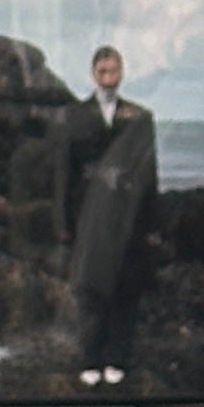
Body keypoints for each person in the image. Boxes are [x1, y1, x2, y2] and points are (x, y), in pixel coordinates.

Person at [53, 43, 159, 386]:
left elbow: (148, 175)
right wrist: (63, 222)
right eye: (103, 72)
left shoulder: (138, 117)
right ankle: (90, 359)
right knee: (89, 288)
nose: (109, 78)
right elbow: (64, 173)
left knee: (125, 287)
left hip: (127, 213)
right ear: (93, 74)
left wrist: (151, 224)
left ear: (122, 73)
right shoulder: (75, 116)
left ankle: (117, 357)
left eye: (114, 71)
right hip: (87, 213)